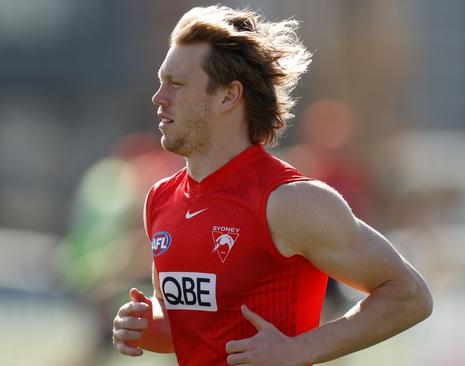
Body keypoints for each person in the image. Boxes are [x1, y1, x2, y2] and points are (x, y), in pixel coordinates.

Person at [112, 5, 432, 366]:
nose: (159, 98)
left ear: (228, 96)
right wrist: (147, 324)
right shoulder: (160, 199)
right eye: (161, 82)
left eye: (178, 85)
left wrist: (299, 350)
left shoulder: (289, 201)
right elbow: (187, 328)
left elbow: (409, 295)